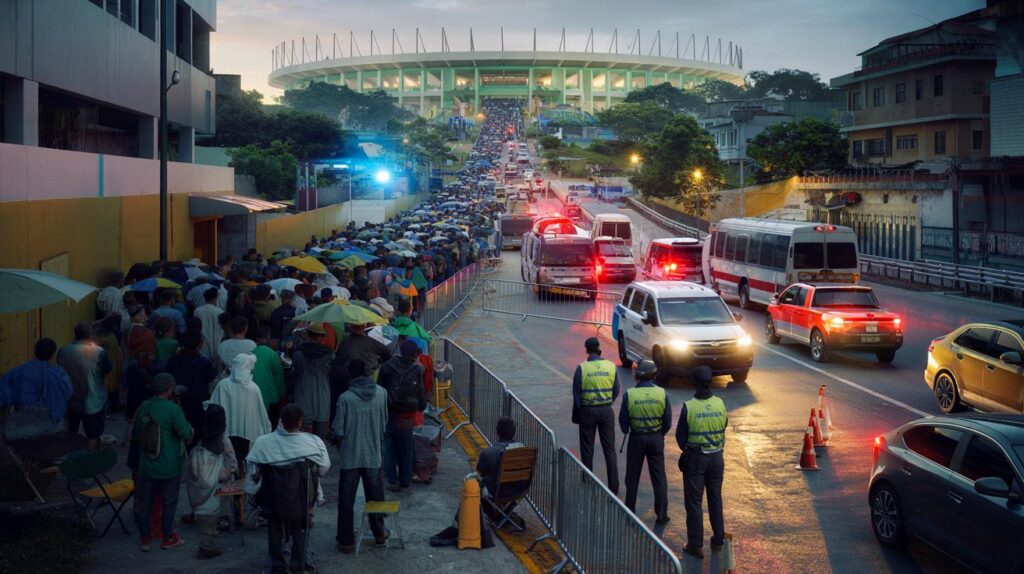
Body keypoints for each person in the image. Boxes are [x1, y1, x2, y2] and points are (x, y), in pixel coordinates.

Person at [246, 404, 331, 574]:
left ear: (281, 422)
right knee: (301, 523)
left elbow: (252, 473)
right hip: (301, 501)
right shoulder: (313, 442)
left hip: (273, 502)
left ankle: (278, 566)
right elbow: (323, 469)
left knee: (274, 524)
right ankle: (298, 564)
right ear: (300, 422)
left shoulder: (263, 442)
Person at [332, 359, 389, 553]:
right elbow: (384, 422)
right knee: (375, 497)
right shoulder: (381, 393)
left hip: (350, 456)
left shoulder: (345, 399)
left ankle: (346, 540)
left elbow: (339, 430)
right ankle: (380, 533)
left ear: (350, 375)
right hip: (373, 453)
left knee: (347, 500)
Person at [132, 373, 194, 552]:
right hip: (169, 465)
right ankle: (168, 537)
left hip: (147, 465)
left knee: (147, 502)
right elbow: (187, 436)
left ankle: (145, 538)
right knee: (169, 502)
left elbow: (137, 435)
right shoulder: (173, 409)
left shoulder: (144, 406)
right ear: (170, 389)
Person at [676, 365, 728, 558]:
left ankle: (695, 544)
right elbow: (724, 426)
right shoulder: (720, 404)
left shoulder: (689, 406)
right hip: (717, 458)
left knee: (694, 502)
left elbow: (680, 436)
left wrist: (690, 449)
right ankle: (718, 538)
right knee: (715, 498)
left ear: (695, 383)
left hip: (696, 458)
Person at [618, 359, 672, 525]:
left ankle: (630, 512)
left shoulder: (630, 394)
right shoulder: (662, 393)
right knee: (659, 478)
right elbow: (667, 421)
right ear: (653, 375)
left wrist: (632, 428)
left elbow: (623, 424)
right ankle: (662, 514)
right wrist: (658, 434)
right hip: (655, 439)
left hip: (637, 439)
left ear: (638, 376)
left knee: (632, 477)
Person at [184, 403, 237, 559]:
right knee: (211, 516)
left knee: (204, 516)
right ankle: (207, 547)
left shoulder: (200, 438)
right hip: (215, 485)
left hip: (198, 484)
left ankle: (206, 545)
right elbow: (232, 463)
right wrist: (223, 474)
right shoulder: (223, 441)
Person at [572, 337, 620, 495]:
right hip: (606, 412)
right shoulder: (611, 366)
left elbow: (577, 395)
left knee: (587, 448)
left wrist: (582, 410)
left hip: (588, 411)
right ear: (598, 348)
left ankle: (588, 479)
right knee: (609, 450)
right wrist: (607, 402)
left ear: (587, 349)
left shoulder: (582, 368)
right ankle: (613, 485)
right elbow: (616, 390)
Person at [0, 338, 73, 440]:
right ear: (52, 354)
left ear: (35, 351)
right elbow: (68, 393)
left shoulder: (19, 371)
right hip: (51, 424)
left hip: (22, 424)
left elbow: (3, 395)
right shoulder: (60, 374)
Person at [378, 339, 426, 492]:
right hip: (407, 415)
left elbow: (381, 388)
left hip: (389, 412)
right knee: (406, 447)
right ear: (415, 354)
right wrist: (421, 406)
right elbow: (420, 394)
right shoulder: (418, 369)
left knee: (389, 446)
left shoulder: (387, 366)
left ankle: (392, 479)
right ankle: (405, 480)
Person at [210, 353, 271, 470]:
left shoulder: (223, 385)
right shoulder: (253, 388)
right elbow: (261, 414)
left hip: (227, 433)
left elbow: (212, 408)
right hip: (248, 433)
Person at [57, 322, 112, 450]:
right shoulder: (98, 352)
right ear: (91, 335)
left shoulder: (63, 351)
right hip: (93, 400)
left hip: (71, 399)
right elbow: (107, 369)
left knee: (72, 432)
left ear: (74, 335)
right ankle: (91, 461)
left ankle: (72, 458)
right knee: (93, 434)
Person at [166, 332, 218, 449]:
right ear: (199, 345)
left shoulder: (173, 360)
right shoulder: (204, 361)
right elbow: (212, 378)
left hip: (178, 400)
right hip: (198, 401)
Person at [292, 323, 334, 438]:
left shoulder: (298, 354)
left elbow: (295, 374)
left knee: (302, 439)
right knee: (320, 440)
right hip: (323, 400)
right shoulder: (329, 355)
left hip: (303, 398)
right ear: (321, 337)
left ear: (308, 335)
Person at [252, 327, 286, 428]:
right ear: (268, 338)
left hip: (255, 398)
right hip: (271, 397)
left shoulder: (250, 353)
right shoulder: (272, 354)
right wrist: (282, 394)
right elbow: (279, 376)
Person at [194, 288, 224, 363]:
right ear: (216, 297)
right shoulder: (220, 312)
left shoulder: (197, 311)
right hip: (216, 343)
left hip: (202, 344)